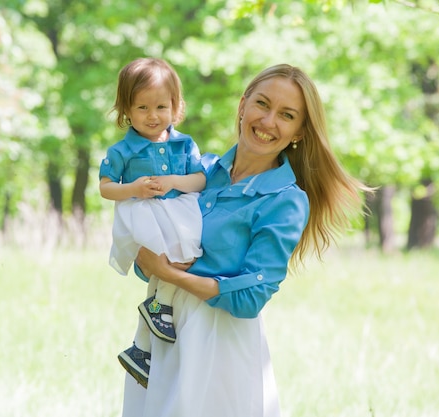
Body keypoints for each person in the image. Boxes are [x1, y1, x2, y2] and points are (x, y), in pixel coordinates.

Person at [123, 63, 371, 417]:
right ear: (242, 106)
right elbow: (147, 252)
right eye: (262, 104)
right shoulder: (199, 169)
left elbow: (253, 296)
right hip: (160, 334)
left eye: (286, 115)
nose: (268, 121)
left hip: (217, 342)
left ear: (299, 132)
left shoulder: (284, 199)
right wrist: (148, 256)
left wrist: (173, 274)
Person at [99, 58, 206, 389]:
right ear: (126, 110)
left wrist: (175, 181)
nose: (153, 115)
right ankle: (154, 316)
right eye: (142, 107)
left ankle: (141, 348)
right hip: (142, 212)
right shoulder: (123, 149)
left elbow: (200, 180)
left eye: (162, 106)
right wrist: (134, 188)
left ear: (176, 107)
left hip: (178, 211)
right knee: (163, 259)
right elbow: (105, 187)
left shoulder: (184, 144)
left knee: (182, 257)